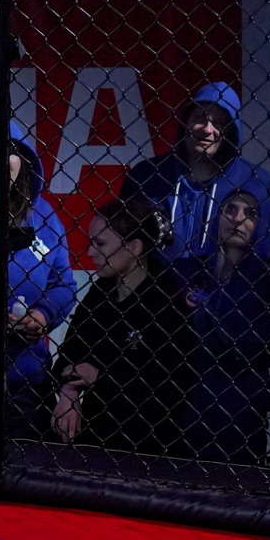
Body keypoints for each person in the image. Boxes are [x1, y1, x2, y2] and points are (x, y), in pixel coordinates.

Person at [51, 195, 192, 456]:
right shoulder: (101, 292)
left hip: (148, 447)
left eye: (101, 243)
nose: (90, 252)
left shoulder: (166, 303)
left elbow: (167, 387)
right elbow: (68, 355)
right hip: (93, 437)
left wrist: (102, 378)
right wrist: (69, 390)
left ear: (135, 247)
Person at [172, 191, 270, 465]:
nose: (237, 218)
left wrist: (263, 395)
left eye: (250, 213)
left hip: (238, 424)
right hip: (178, 415)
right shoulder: (189, 271)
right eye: (230, 209)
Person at [123, 81, 270, 264]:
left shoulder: (255, 181)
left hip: (228, 282)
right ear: (185, 122)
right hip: (155, 281)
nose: (207, 129)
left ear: (231, 130)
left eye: (219, 122)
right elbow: (120, 238)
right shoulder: (146, 175)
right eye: (200, 118)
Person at [0, 122, 77, 435]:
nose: (0, 160)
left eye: (9, 151)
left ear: (23, 160)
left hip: (25, 379)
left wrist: (42, 315)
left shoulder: (43, 215)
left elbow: (63, 284)